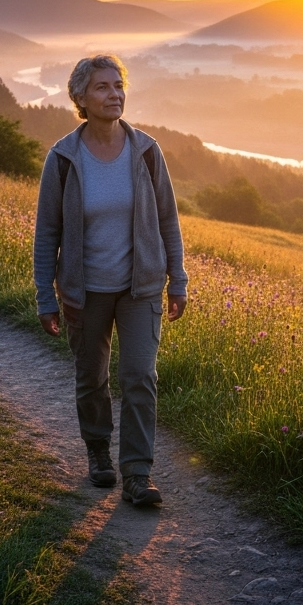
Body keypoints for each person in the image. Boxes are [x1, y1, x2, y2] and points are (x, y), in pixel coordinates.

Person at [33, 54, 188, 507]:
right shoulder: (63, 158)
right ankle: (98, 450)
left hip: (140, 287)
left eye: (118, 85)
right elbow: (47, 234)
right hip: (85, 291)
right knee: (92, 378)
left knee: (139, 375)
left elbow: (168, 221)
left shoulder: (145, 151)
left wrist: (177, 280)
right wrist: (47, 295)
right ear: (80, 97)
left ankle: (137, 473)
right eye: (102, 87)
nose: (114, 94)